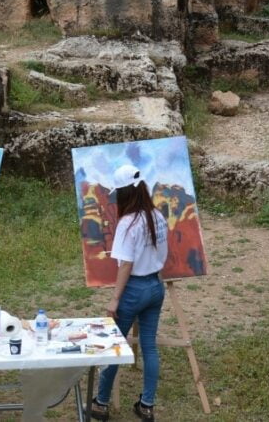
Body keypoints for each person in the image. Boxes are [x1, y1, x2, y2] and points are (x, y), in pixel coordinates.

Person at [87, 164, 168, 422]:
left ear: (123, 194)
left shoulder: (127, 223)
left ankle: (100, 403)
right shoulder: (158, 216)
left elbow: (126, 265)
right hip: (156, 287)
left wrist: (115, 299)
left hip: (134, 289)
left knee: (114, 347)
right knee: (149, 347)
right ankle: (146, 405)